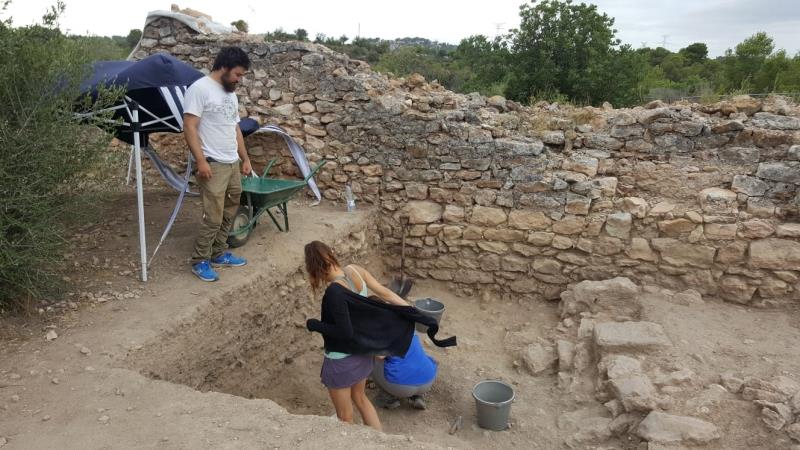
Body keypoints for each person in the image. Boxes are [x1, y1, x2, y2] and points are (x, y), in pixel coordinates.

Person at [303, 241, 414, 430]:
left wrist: (315, 325)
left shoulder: (334, 292)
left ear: (314, 268)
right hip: (362, 354)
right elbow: (384, 292)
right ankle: (379, 444)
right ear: (331, 252)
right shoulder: (355, 271)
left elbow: (345, 332)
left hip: (341, 360)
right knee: (361, 399)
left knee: (345, 418)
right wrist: (411, 310)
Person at [183, 46, 253, 282]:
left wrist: (245, 158)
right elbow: (190, 126)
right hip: (212, 163)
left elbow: (235, 129)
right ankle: (199, 260)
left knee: (230, 209)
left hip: (232, 161)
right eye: (238, 74)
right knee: (212, 215)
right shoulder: (200, 89)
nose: (239, 80)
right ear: (224, 67)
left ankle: (218, 253)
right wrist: (201, 161)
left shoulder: (230, 93)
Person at [372, 333, 438, 410]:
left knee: (373, 358)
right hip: (427, 382)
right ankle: (417, 396)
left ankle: (387, 398)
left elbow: (379, 356)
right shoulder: (411, 328)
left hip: (401, 387)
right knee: (416, 357)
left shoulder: (386, 332)